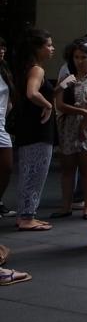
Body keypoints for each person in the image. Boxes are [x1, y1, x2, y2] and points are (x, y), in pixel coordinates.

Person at [11, 28, 57, 232]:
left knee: (29, 171)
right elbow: (32, 92)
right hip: (37, 130)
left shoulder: (25, 68)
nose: (52, 49)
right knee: (35, 172)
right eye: (48, 45)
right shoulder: (37, 69)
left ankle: (26, 213)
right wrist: (47, 104)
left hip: (28, 128)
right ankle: (27, 216)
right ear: (37, 48)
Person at [52, 38, 87, 220]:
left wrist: (85, 117)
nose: (79, 61)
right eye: (76, 57)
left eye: (83, 57)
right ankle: (66, 206)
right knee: (67, 168)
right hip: (68, 125)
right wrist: (80, 110)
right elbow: (59, 103)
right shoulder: (67, 79)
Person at [0, 36, 14, 220]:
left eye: (3, 47)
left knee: (7, 166)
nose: (1, 50)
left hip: (2, 124)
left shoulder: (4, 70)